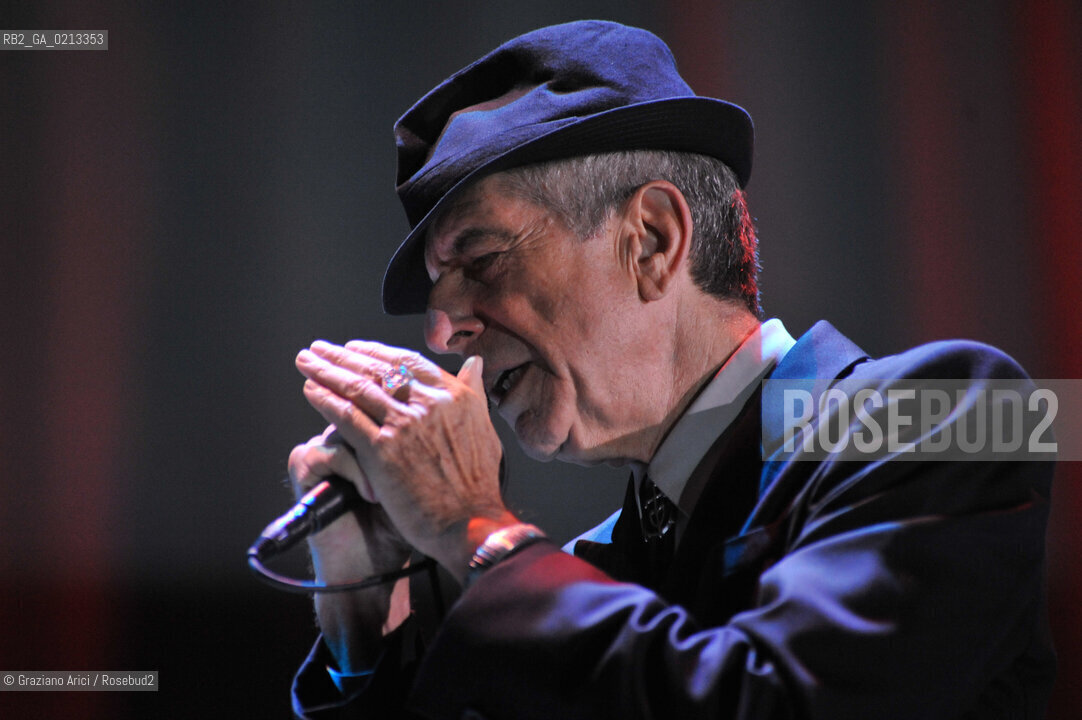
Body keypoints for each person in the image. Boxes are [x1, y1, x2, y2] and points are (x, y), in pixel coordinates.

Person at [284, 20, 1055, 719]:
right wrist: (363, 611)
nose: (442, 332)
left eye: (480, 260)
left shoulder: (968, 406)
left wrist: (472, 528)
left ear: (651, 240)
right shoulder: (586, 569)